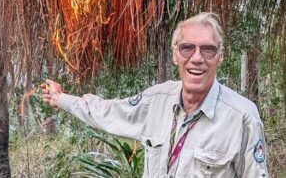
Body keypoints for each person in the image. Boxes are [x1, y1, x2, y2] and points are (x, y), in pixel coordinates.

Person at [42, 12, 269, 177]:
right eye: (187, 48)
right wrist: (60, 99)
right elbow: (107, 111)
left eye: (208, 49)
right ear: (175, 55)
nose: (197, 58)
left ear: (219, 56)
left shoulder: (242, 116)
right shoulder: (156, 101)